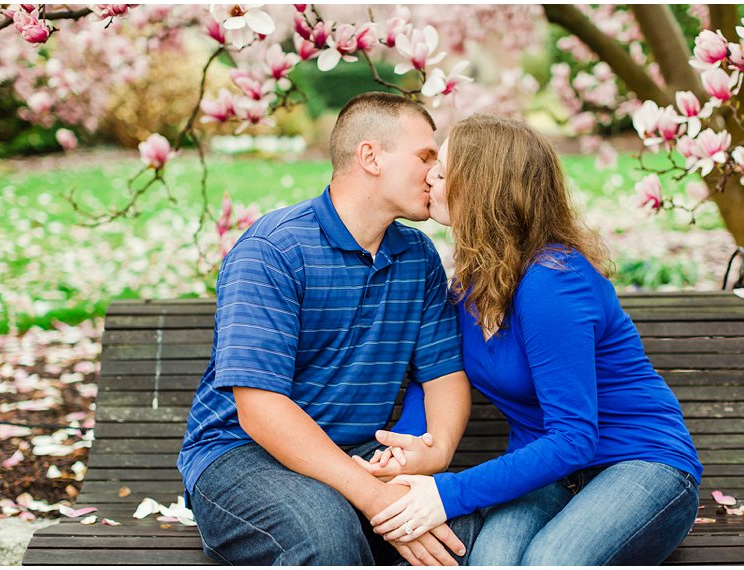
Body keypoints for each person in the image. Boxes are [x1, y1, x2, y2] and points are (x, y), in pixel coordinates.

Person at [361, 115, 703, 565]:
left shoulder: (552, 283)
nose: (428, 175)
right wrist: (403, 449)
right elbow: (437, 373)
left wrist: (447, 493)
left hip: (641, 464)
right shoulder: (470, 286)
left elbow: (574, 437)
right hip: (546, 474)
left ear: (483, 189)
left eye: (443, 171)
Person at [177, 92, 482, 566]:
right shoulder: (274, 250)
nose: (435, 172)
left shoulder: (417, 257)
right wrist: (374, 497)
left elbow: (443, 373)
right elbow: (260, 410)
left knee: (455, 531)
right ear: (370, 157)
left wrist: (435, 452)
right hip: (240, 456)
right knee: (326, 535)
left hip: (357, 451)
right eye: (425, 156)